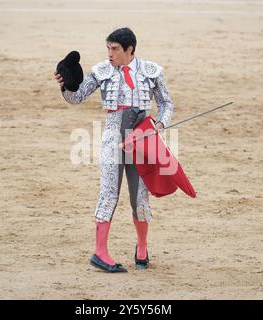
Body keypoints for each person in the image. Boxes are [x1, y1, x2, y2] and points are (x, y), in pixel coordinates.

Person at [54, 27, 174, 273]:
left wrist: (159, 125)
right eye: (108, 48)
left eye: (115, 49)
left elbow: (165, 103)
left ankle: (142, 247)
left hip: (142, 141)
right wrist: (66, 84)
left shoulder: (151, 71)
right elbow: (76, 98)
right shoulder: (102, 71)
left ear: (130, 50)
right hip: (112, 138)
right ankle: (100, 252)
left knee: (139, 197)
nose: (110, 54)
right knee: (108, 193)